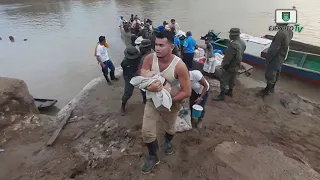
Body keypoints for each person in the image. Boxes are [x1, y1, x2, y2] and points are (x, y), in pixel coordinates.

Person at [139, 31, 191, 174]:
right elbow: (141, 76)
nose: (157, 48)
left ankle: (168, 141)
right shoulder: (150, 59)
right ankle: (153, 156)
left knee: (170, 128)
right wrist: (149, 87)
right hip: (152, 101)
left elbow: (187, 92)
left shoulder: (179, 66)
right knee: (147, 131)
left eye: (161, 45)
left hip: (171, 104)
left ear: (172, 46)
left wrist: (167, 100)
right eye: (156, 44)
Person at [257, 23, 293, 97]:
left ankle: (267, 90)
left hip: (276, 56)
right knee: (276, 71)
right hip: (282, 55)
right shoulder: (289, 30)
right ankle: (272, 88)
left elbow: (274, 49)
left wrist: (268, 59)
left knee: (270, 73)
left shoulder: (280, 33)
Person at [213, 28, 246, 101]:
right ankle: (230, 91)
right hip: (237, 65)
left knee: (223, 80)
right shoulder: (242, 43)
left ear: (233, 35)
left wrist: (223, 66)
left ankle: (222, 95)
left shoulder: (233, 45)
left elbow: (228, 58)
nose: (229, 35)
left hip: (230, 66)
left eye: (230, 34)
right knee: (232, 79)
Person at [120, 47, 141, 115]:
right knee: (128, 92)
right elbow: (126, 72)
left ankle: (145, 100)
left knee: (144, 88)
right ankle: (123, 105)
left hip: (138, 73)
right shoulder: (125, 62)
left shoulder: (139, 57)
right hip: (128, 76)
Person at [138, 39, 154, 104]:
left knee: (145, 90)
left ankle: (146, 101)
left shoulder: (146, 57)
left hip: (147, 77)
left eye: (142, 48)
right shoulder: (153, 52)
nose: (140, 48)